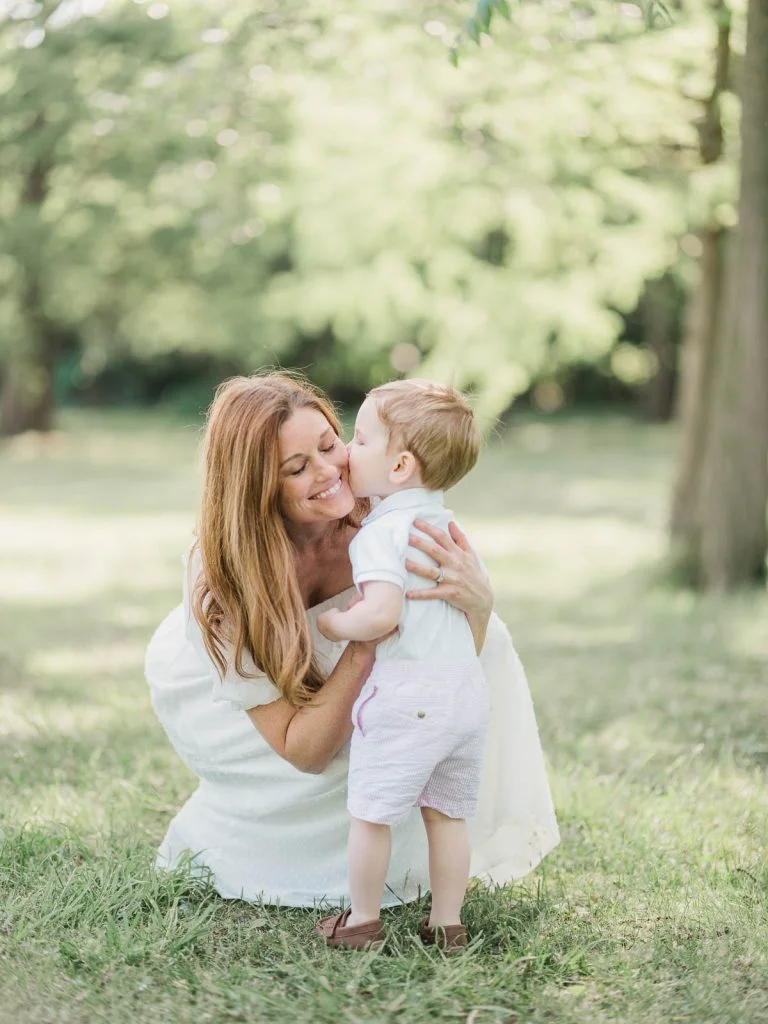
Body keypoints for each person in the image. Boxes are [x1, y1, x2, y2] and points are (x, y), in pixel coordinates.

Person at [144, 371, 559, 920]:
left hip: (371, 685)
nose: (329, 472)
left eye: (329, 444)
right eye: (298, 468)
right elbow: (304, 751)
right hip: (252, 706)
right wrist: (365, 645)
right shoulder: (226, 577)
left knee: (482, 650)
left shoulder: (382, 513)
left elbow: (453, 660)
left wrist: (478, 604)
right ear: (255, 490)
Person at [313, 379, 491, 953]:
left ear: (399, 467)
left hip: (409, 695)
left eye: (359, 440)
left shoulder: (380, 532)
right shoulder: (451, 529)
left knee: (371, 814)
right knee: (446, 817)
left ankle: (362, 920)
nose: (346, 450)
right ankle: (447, 924)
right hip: (465, 695)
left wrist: (337, 624)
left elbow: (382, 614)